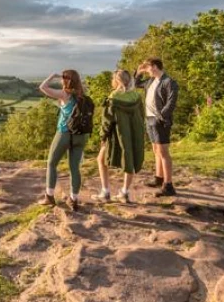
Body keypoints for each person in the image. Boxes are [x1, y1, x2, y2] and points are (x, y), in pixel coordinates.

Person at [37, 70, 90, 211]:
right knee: (74, 168)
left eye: (62, 78)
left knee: (52, 163)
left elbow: (42, 87)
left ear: (66, 80)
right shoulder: (83, 94)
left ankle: (49, 197)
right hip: (81, 136)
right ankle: (74, 200)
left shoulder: (64, 94)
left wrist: (52, 75)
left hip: (64, 133)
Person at [97, 70, 145, 203]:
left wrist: (103, 137)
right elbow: (142, 115)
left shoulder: (113, 98)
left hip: (118, 135)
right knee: (129, 160)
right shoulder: (136, 96)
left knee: (101, 159)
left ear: (117, 81)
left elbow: (107, 121)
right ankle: (124, 192)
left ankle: (105, 192)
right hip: (135, 132)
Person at [134, 58, 179, 197]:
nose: (147, 71)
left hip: (160, 120)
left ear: (154, 67)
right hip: (149, 119)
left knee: (163, 152)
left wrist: (161, 116)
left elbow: (171, 102)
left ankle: (169, 186)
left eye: (147, 68)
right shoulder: (150, 81)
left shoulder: (169, 82)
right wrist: (139, 71)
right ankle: (159, 179)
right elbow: (135, 84)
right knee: (156, 150)